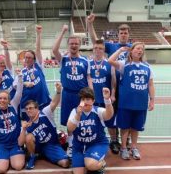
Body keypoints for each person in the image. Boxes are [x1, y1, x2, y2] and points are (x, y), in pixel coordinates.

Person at [87, 14, 132, 153]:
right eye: (121, 33)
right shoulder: (112, 46)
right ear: (118, 34)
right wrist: (90, 24)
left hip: (126, 88)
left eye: (125, 33)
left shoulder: (132, 48)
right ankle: (113, 140)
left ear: (129, 34)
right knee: (110, 114)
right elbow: (96, 41)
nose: (123, 35)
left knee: (125, 114)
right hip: (113, 87)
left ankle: (127, 139)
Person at [108, 42, 155, 160]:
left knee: (136, 127)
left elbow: (150, 85)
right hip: (126, 103)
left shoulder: (147, 67)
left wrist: (152, 100)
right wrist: (120, 51)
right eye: (137, 48)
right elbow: (110, 60)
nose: (140, 51)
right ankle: (123, 148)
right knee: (125, 127)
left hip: (141, 103)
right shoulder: (125, 64)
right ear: (132, 50)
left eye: (142, 49)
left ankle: (134, 147)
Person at [52, 24, 93, 157]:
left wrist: (91, 95)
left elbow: (88, 78)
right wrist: (63, 31)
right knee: (70, 122)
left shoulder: (86, 61)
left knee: (82, 120)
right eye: (71, 44)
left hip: (82, 96)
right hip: (67, 94)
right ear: (68, 45)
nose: (74, 46)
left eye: (76, 43)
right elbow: (54, 49)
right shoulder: (63, 59)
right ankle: (70, 145)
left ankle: (81, 143)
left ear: (79, 45)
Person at [67, 87, 114, 174]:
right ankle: (89, 159)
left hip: (97, 143)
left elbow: (109, 115)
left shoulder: (98, 111)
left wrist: (107, 100)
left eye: (88, 99)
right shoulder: (75, 112)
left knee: (90, 165)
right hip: (79, 146)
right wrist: (78, 115)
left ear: (93, 101)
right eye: (83, 99)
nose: (85, 102)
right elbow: (70, 128)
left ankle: (101, 163)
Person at [22, 82, 69, 170]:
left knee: (65, 163)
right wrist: (23, 130)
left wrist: (58, 91)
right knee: (28, 137)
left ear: (37, 109)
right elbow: (21, 142)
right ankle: (33, 156)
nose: (28, 110)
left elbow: (54, 102)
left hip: (51, 145)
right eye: (27, 109)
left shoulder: (45, 113)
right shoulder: (27, 124)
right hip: (38, 147)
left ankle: (47, 155)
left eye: (31, 108)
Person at [89, 39, 120, 153]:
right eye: (96, 48)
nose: (98, 50)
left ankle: (114, 141)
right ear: (93, 49)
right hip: (93, 99)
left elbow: (113, 80)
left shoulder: (109, 63)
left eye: (100, 48)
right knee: (94, 121)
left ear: (104, 50)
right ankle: (95, 141)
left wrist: (112, 94)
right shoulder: (88, 63)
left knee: (110, 121)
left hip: (106, 99)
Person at [18, 25, 51, 120]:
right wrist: (25, 83)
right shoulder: (21, 72)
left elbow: (37, 49)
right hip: (29, 105)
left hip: (43, 102)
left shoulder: (38, 66)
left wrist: (38, 34)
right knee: (30, 126)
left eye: (30, 57)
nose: (27, 59)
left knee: (45, 123)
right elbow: (16, 85)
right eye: (26, 57)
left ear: (34, 59)